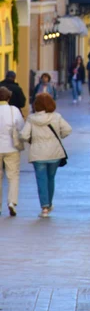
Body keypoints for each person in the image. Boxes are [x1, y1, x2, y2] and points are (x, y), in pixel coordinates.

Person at [20, 93, 72, 218]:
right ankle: (49, 204)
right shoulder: (57, 117)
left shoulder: (31, 119)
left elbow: (23, 135)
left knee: (41, 179)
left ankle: (44, 207)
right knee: (51, 178)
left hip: (38, 154)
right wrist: (60, 136)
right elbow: (68, 129)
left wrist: (32, 141)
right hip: (54, 153)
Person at [0, 86, 24, 216]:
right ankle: (12, 202)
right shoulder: (13, 110)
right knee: (13, 176)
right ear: (8, 97)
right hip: (11, 147)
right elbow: (20, 127)